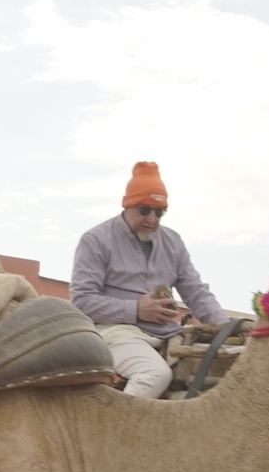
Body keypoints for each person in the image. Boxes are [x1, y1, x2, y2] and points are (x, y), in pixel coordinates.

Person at [70, 161, 227, 398]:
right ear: (127, 206)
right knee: (154, 374)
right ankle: (118, 432)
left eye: (159, 212)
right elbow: (82, 301)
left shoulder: (173, 242)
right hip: (114, 332)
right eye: (144, 210)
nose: (152, 219)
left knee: (218, 366)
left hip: (169, 334)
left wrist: (225, 328)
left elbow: (196, 291)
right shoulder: (95, 240)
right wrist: (136, 310)